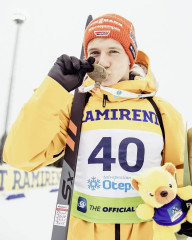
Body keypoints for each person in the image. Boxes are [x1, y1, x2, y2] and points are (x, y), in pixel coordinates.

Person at [3, 13, 186, 240]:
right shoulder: (74, 107)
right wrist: (53, 88)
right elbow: (20, 156)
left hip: (148, 232)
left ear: (131, 57)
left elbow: (178, 173)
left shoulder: (162, 111)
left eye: (113, 51)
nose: (103, 61)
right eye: (94, 53)